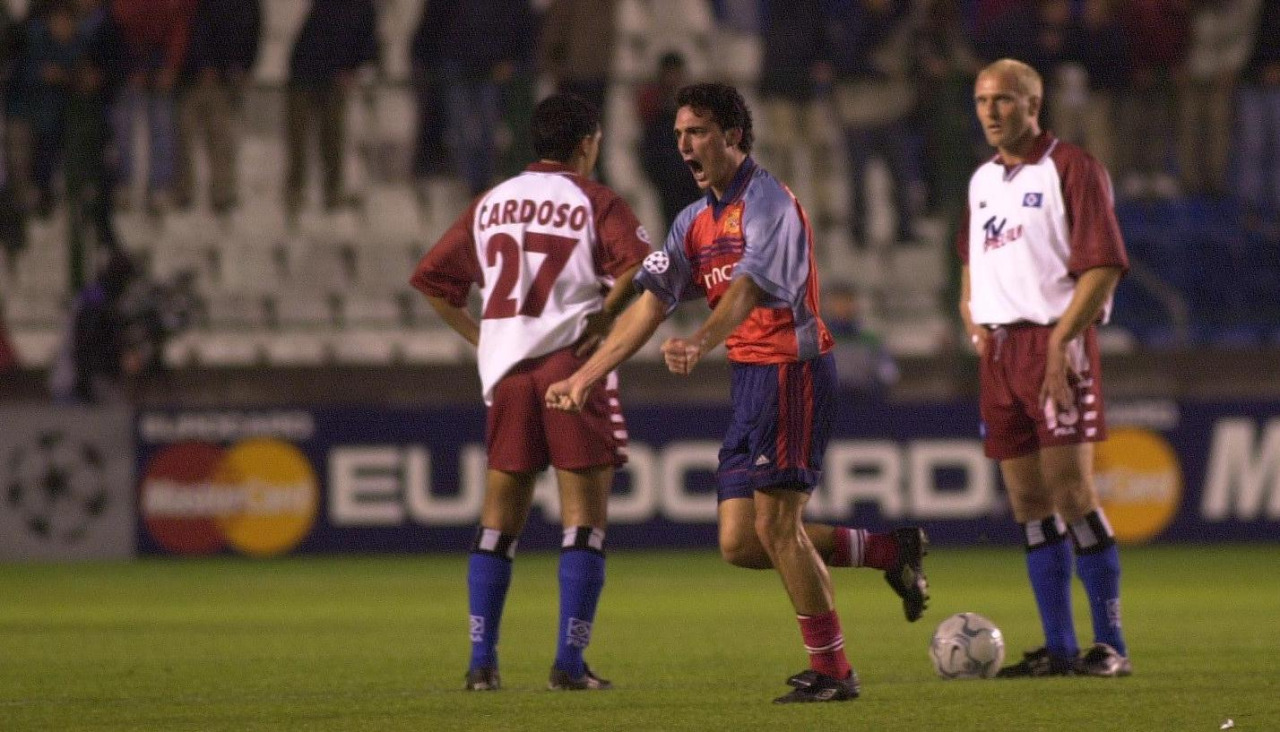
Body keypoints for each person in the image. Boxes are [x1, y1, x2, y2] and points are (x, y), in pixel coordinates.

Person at [545, 82, 928, 704]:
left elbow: (748, 291)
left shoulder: (770, 204)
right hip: (751, 380)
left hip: (792, 371)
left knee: (778, 527)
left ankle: (834, 672)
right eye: (677, 135)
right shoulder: (692, 221)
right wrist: (586, 377)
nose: (683, 146)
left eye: (696, 132)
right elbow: (649, 305)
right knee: (742, 542)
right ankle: (890, 549)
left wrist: (699, 342)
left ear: (734, 137)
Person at [409, 94, 650, 693]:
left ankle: (481, 663)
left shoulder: (492, 203)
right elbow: (640, 269)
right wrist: (601, 321)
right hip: (572, 367)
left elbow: (434, 282)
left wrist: (486, 339)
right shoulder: (595, 200)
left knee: (498, 524)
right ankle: (568, 665)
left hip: (509, 373)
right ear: (587, 143)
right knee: (584, 524)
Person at [958, 59, 1132, 678]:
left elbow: (1104, 264)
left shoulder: (1073, 168)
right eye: (982, 100)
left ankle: (1110, 644)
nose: (990, 111)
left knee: (1072, 493)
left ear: (1034, 105)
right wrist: (969, 306)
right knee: (1028, 501)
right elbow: (971, 256)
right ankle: (1059, 648)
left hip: (1057, 345)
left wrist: (1063, 341)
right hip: (1001, 353)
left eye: (1003, 100)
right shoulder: (982, 181)